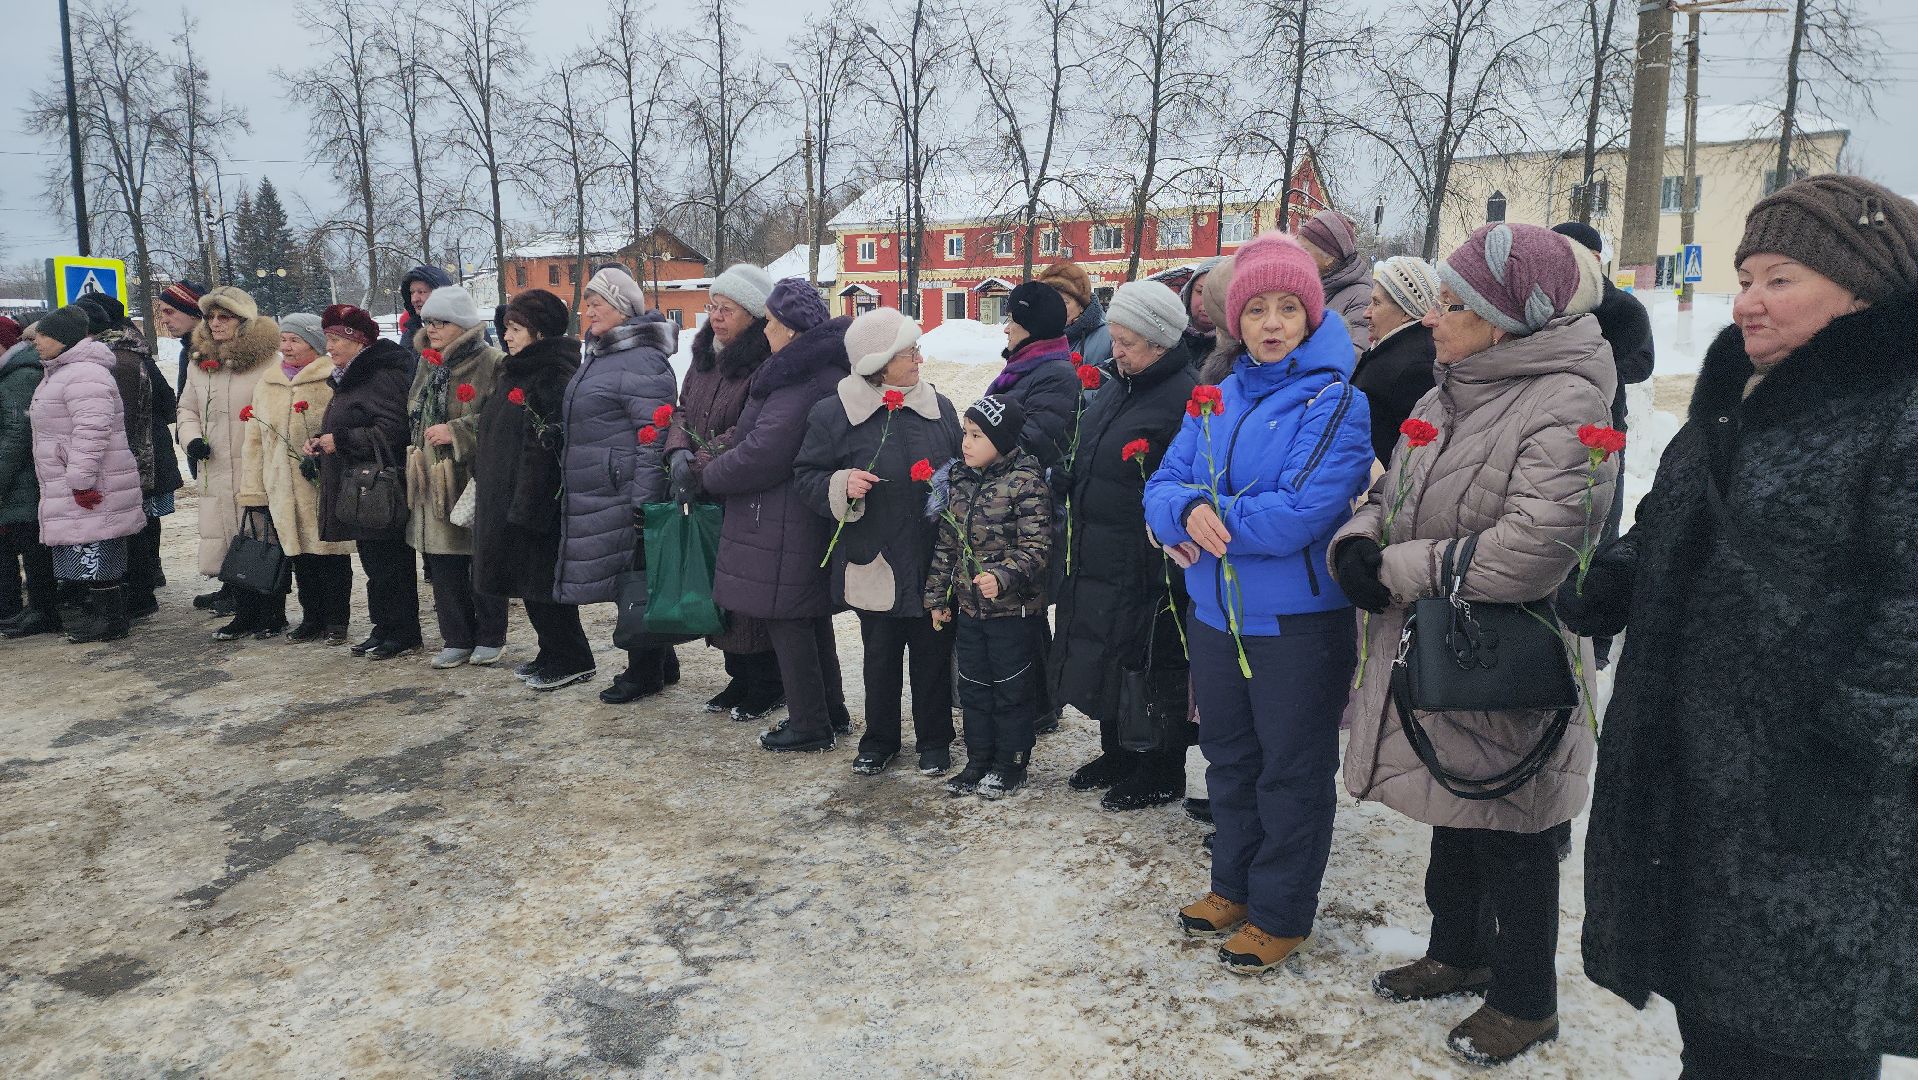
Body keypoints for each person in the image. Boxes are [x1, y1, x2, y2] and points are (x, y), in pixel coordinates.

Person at [1566, 176, 1918, 1080]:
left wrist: (1849, 756)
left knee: (1797, 1034)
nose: (1750, 301)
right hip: (1697, 770)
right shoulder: (1740, 398)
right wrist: (1615, 581)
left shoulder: (1899, 413)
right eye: (1745, 276)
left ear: (1864, 289)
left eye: (1782, 278)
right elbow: (1678, 525)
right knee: (1717, 1022)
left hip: (1816, 788)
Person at [1332, 222, 1612, 1068]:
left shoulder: (1566, 403)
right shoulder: (1444, 390)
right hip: (1444, 635)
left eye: (1453, 305)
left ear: (1503, 322)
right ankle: (1458, 950)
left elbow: (1537, 546)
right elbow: (1397, 487)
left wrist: (1400, 569)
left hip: (1505, 653)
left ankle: (1527, 1000)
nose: (1434, 320)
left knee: (1514, 828)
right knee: (1455, 814)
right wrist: (1359, 537)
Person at [1143, 231, 1373, 976]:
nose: (1271, 324)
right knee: (1230, 761)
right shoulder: (1219, 393)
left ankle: (1280, 912)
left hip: (1297, 625)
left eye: (1287, 308)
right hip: (1216, 615)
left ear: (1310, 315)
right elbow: (1162, 485)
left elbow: (1302, 512)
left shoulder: (1336, 398)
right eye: (1256, 310)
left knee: (1291, 770)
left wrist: (1210, 519)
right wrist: (1180, 513)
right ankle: (1233, 887)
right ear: (1233, 320)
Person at [794, 306, 961, 777]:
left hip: (932, 558)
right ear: (878, 361)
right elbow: (805, 476)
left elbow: (958, 470)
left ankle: (935, 740)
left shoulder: (938, 405)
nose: (919, 360)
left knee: (932, 656)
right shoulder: (834, 412)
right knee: (880, 658)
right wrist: (840, 484)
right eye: (909, 352)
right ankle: (880, 739)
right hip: (875, 558)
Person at [1051, 280, 1197, 812]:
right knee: (1105, 658)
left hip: (1146, 559)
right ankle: (1116, 753)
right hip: (1099, 548)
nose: (1115, 352)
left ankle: (1160, 768)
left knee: (1149, 666)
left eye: (1127, 343)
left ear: (1159, 343)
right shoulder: (1121, 384)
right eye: (1113, 339)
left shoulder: (1183, 396)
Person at [703, 285, 852, 753]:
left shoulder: (799, 378)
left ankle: (810, 724)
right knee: (808, 618)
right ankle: (831, 711)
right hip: (796, 514)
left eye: (769, 322)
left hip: (783, 515)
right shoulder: (815, 370)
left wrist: (709, 473)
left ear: (789, 328)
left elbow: (764, 453)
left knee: (788, 621)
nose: (765, 330)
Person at [664, 263, 785, 720]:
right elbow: (682, 412)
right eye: (712, 306)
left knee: (747, 594)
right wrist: (677, 452)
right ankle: (738, 676)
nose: (715, 316)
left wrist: (698, 464)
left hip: (739, 488)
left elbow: (747, 431)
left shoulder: (763, 363)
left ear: (753, 314)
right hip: (700, 486)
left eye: (727, 308)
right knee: (715, 585)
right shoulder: (704, 356)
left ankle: (767, 681)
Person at [554, 268, 679, 697]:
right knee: (628, 575)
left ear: (623, 309)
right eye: (586, 303)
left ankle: (643, 672)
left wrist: (645, 500)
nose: (587, 311)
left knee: (634, 577)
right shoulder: (603, 352)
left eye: (597, 304)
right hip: (601, 485)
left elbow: (654, 433)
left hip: (623, 489)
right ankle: (661, 661)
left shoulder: (641, 356)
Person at [926, 395, 1053, 798]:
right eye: (965, 432)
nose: (966, 442)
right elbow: (947, 545)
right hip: (970, 610)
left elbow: (1037, 547)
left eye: (977, 435)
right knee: (974, 686)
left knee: (1011, 688)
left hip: (1012, 612)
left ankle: (1010, 763)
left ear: (1001, 440)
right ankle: (979, 759)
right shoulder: (959, 482)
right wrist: (937, 598)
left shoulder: (1026, 483)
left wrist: (1001, 576)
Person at [471, 290, 592, 689]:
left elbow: (546, 448)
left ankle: (572, 656)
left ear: (539, 333)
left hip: (534, 502)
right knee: (527, 585)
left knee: (543, 585)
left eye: (516, 328)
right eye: (506, 328)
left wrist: (529, 504)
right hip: (506, 496)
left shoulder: (552, 373)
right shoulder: (515, 370)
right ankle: (550, 651)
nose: (506, 336)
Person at [1551, 221, 1653, 670]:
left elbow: (1643, 364)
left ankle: (1596, 642)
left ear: (1595, 257)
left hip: (1604, 428)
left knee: (1600, 524)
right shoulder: (1550, 302)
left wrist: (1593, 362)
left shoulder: (1623, 310)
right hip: (1552, 428)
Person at [25, 306, 148, 643]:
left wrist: (80, 480)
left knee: (97, 549)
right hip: (75, 478)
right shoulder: (63, 371)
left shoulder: (84, 374)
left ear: (63, 338)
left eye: (44, 335)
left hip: (92, 480)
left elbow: (92, 430)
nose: (36, 341)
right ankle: (103, 617)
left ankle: (111, 621)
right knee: (89, 549)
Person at [233, 313, 353, 644]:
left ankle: (336, 621)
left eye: (295, 340)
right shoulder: (267, 383)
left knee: (329, 554)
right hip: (280, 486)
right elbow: (255, 440)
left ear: (314, 344)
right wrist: (254, 489)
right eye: (283, 339)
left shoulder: (331, 379)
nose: (286, 346)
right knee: (298, 556)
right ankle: (311, 618)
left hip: (319, 484)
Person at [310, 304, 419, 659]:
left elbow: (393, 430)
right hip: (361, 484)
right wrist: (323, 440)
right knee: (375, 563)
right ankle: (384, 627)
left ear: (358, 340)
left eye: (335, 338)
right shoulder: (352, 375)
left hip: (380, 485)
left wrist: (339, 440)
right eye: (327, 338)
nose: (329, 346)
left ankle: (402, 631)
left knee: (390, 564)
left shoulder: (379, 374)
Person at [405, 285, 506, 669]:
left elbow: (501, 418)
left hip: (472, 473)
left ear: (461, 324)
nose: (432, 328)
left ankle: (491, 634)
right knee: (442, 560)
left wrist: (458, 431)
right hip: (431, 473)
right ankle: (456, 636)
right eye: (428, 321)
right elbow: (412, 409)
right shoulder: (427, 363)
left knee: (479, 556)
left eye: (441, 322)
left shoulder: (491, 361)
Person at [176, 287, 279, 619]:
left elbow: (276, 414)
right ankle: (240, 607)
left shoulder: (267, 364)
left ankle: (269, 613)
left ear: (243, 321)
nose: (216, 323)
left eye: (225, 317)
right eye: (210, 317)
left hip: (254, 465)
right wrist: (191, 440)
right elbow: (186, 409)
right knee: (225, 534)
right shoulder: (199, 364)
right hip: (215, 465)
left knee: (260, 538)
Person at [76, 293, 177, 621]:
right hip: (147, 450)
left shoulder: (117, 356)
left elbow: (158, 404)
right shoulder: (133, 346)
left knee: (137, 520)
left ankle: (143, 583)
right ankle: (149, 575)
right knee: (143, 518)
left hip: (138, 453)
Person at [0, 314, 59, 638]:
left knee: (33, 547)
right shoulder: (10, 372)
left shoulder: (19, 375)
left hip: (23, 479)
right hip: (17, 479)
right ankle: (32, 609)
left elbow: (17, 432)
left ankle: (43, 611)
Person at [1352, 256, 1441, 464]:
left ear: (1405, 311)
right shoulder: (1394, 351)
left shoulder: (1415, 367)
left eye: (1376, 303)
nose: (1366, 313)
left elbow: (1414, 454)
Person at [990, 282, 1081, 470]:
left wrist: (978, 448)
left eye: (1013, 321)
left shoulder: (1057, 376)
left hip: (1025, 492)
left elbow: (1033, 444)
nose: (1006, 329)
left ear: (1034, 328)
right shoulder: (1021, 369)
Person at [1297, 210, 1373, 358]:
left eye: (1304, 250)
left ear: (1329, 258)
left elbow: (1355, 356)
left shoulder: (1361, 297)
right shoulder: (1307, 288)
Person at [1035, 260, 1112, 370]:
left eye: (1064, 302)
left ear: (1081, 305)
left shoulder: (1110, 338)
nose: (1055, 307)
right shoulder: (1035, 337)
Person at [156, 281, 206, 396]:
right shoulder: (187, 350)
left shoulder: (220, 351)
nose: (163, 320)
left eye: (169, 312)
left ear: (193, 313)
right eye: (162, 313)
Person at [398, 265, 453, 365]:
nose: (414, 299)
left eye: (421, 292)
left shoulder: (465, 332)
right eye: (411, 293)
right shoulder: (410, 334)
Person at [1178, 256, 1226, 364]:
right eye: (1200, 291)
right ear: (1189, 293)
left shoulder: (1241, 348)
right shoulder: (1168, 338)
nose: (1206, 301)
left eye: (1215, 293)